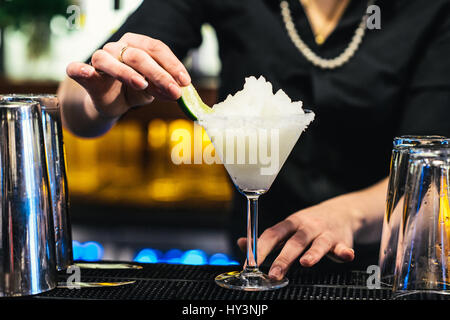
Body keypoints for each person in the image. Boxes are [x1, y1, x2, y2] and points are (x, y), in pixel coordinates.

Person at [57, 0, 450, 280]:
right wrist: (100, 98)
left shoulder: (426, 9)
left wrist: (349, 215)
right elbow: (76, 103)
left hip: (380, 266)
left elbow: (431, 165)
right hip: (254, 255)